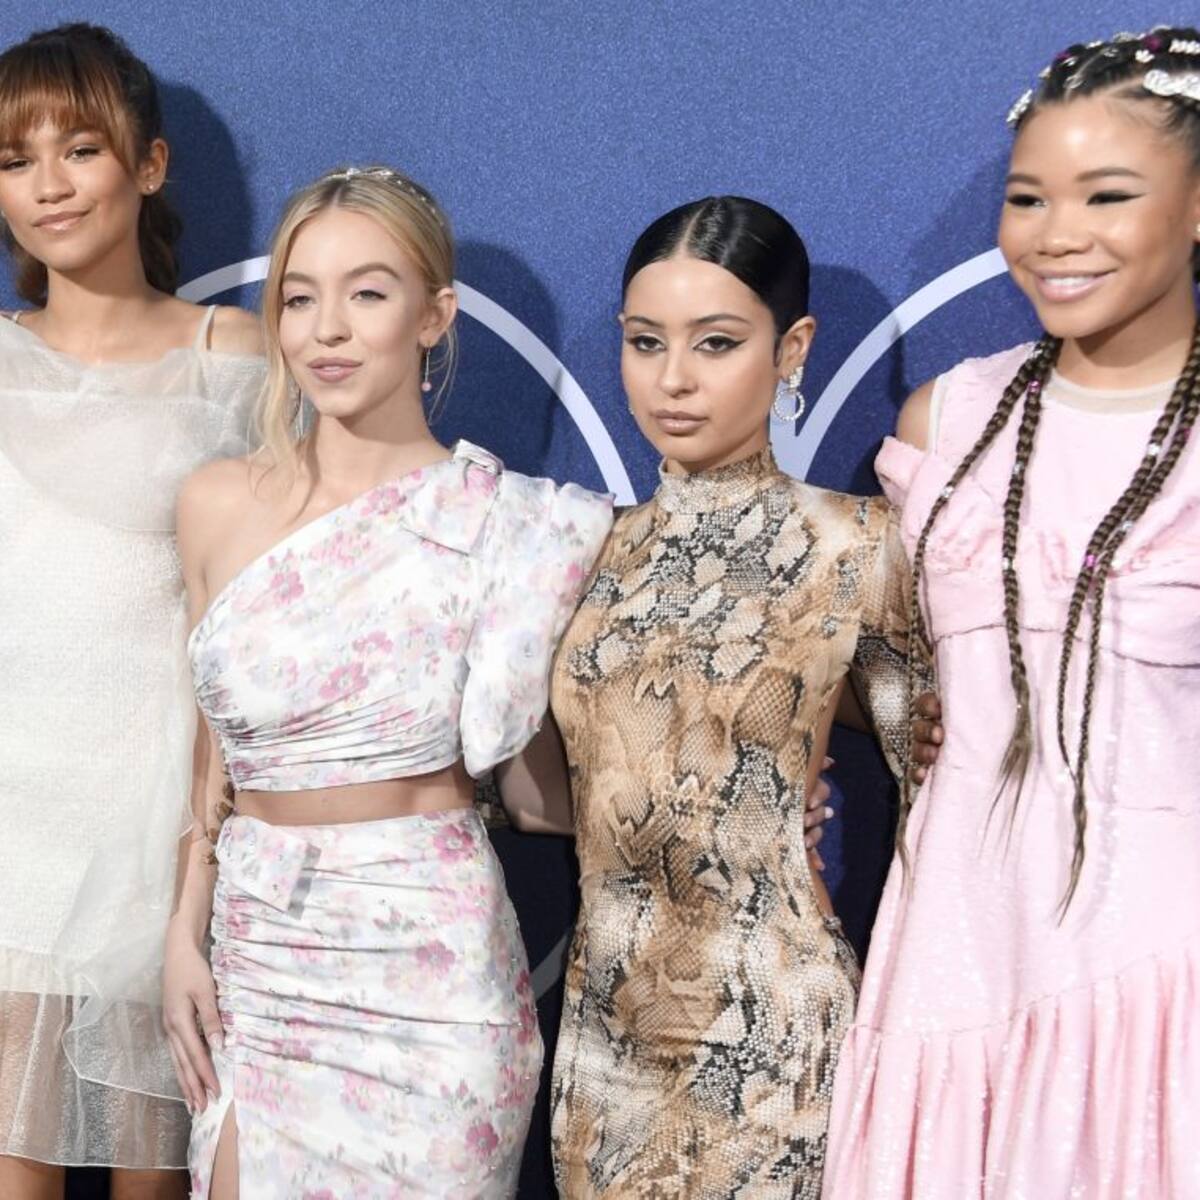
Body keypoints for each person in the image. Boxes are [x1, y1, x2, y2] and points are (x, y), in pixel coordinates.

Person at [165, 164, 613, 1199]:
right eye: (299, 298)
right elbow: (210, 758)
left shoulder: (511, 523)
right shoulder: (215, 504)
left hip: (434, 977)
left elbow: (544, 791)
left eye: (367, 293)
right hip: (262, 967)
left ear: (434, 316)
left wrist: (738, 802)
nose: (327, 329)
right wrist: (183, 931)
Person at [826, 26, 1200, 1198]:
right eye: (1029, 196)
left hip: (1158, 968)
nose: (1057, 233)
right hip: (956, 956)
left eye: (1108, 195)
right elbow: (880, 659)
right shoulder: (947, 419)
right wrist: (903, 705)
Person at [500, 196, 913, 1197]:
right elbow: (530, 790)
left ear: (792, 348)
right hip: (604, 1047)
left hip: (777, 1037)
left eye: (716, 343)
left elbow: (942, 785)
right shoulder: (584, 550)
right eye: (646, 342)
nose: (673, 379)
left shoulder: (856, 544)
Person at [0, 23, 263, 1200]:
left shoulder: (237, 361)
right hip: (14, 824)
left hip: (161, 832)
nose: (48, 185)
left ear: (148, 165)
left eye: (81, 148)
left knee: (156, 1178)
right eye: (15, 159)